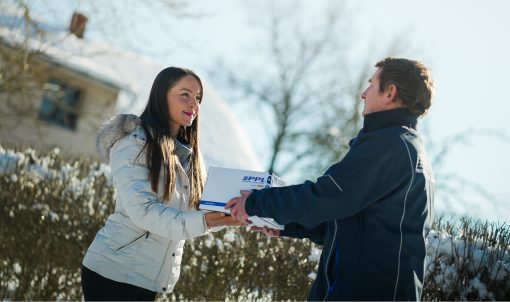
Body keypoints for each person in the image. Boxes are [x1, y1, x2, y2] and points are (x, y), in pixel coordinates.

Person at [226, 57, 436, 302]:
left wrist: (257, 202)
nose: (364, 93)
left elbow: (326, 196)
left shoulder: (389, 145)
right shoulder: (405, 147)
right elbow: (347, 224)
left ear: (390, 92)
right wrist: (284, 224)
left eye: (371, 84)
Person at [81, 67, 244, 302]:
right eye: (185, 94)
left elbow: (193, 213)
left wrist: (229, 214)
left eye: (198, 98)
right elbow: (143, 212)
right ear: (161, 95)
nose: (194, 105)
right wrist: (205, 221)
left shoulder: (187, 157)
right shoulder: (134, 142)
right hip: (112, 274)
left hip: (149, 279)